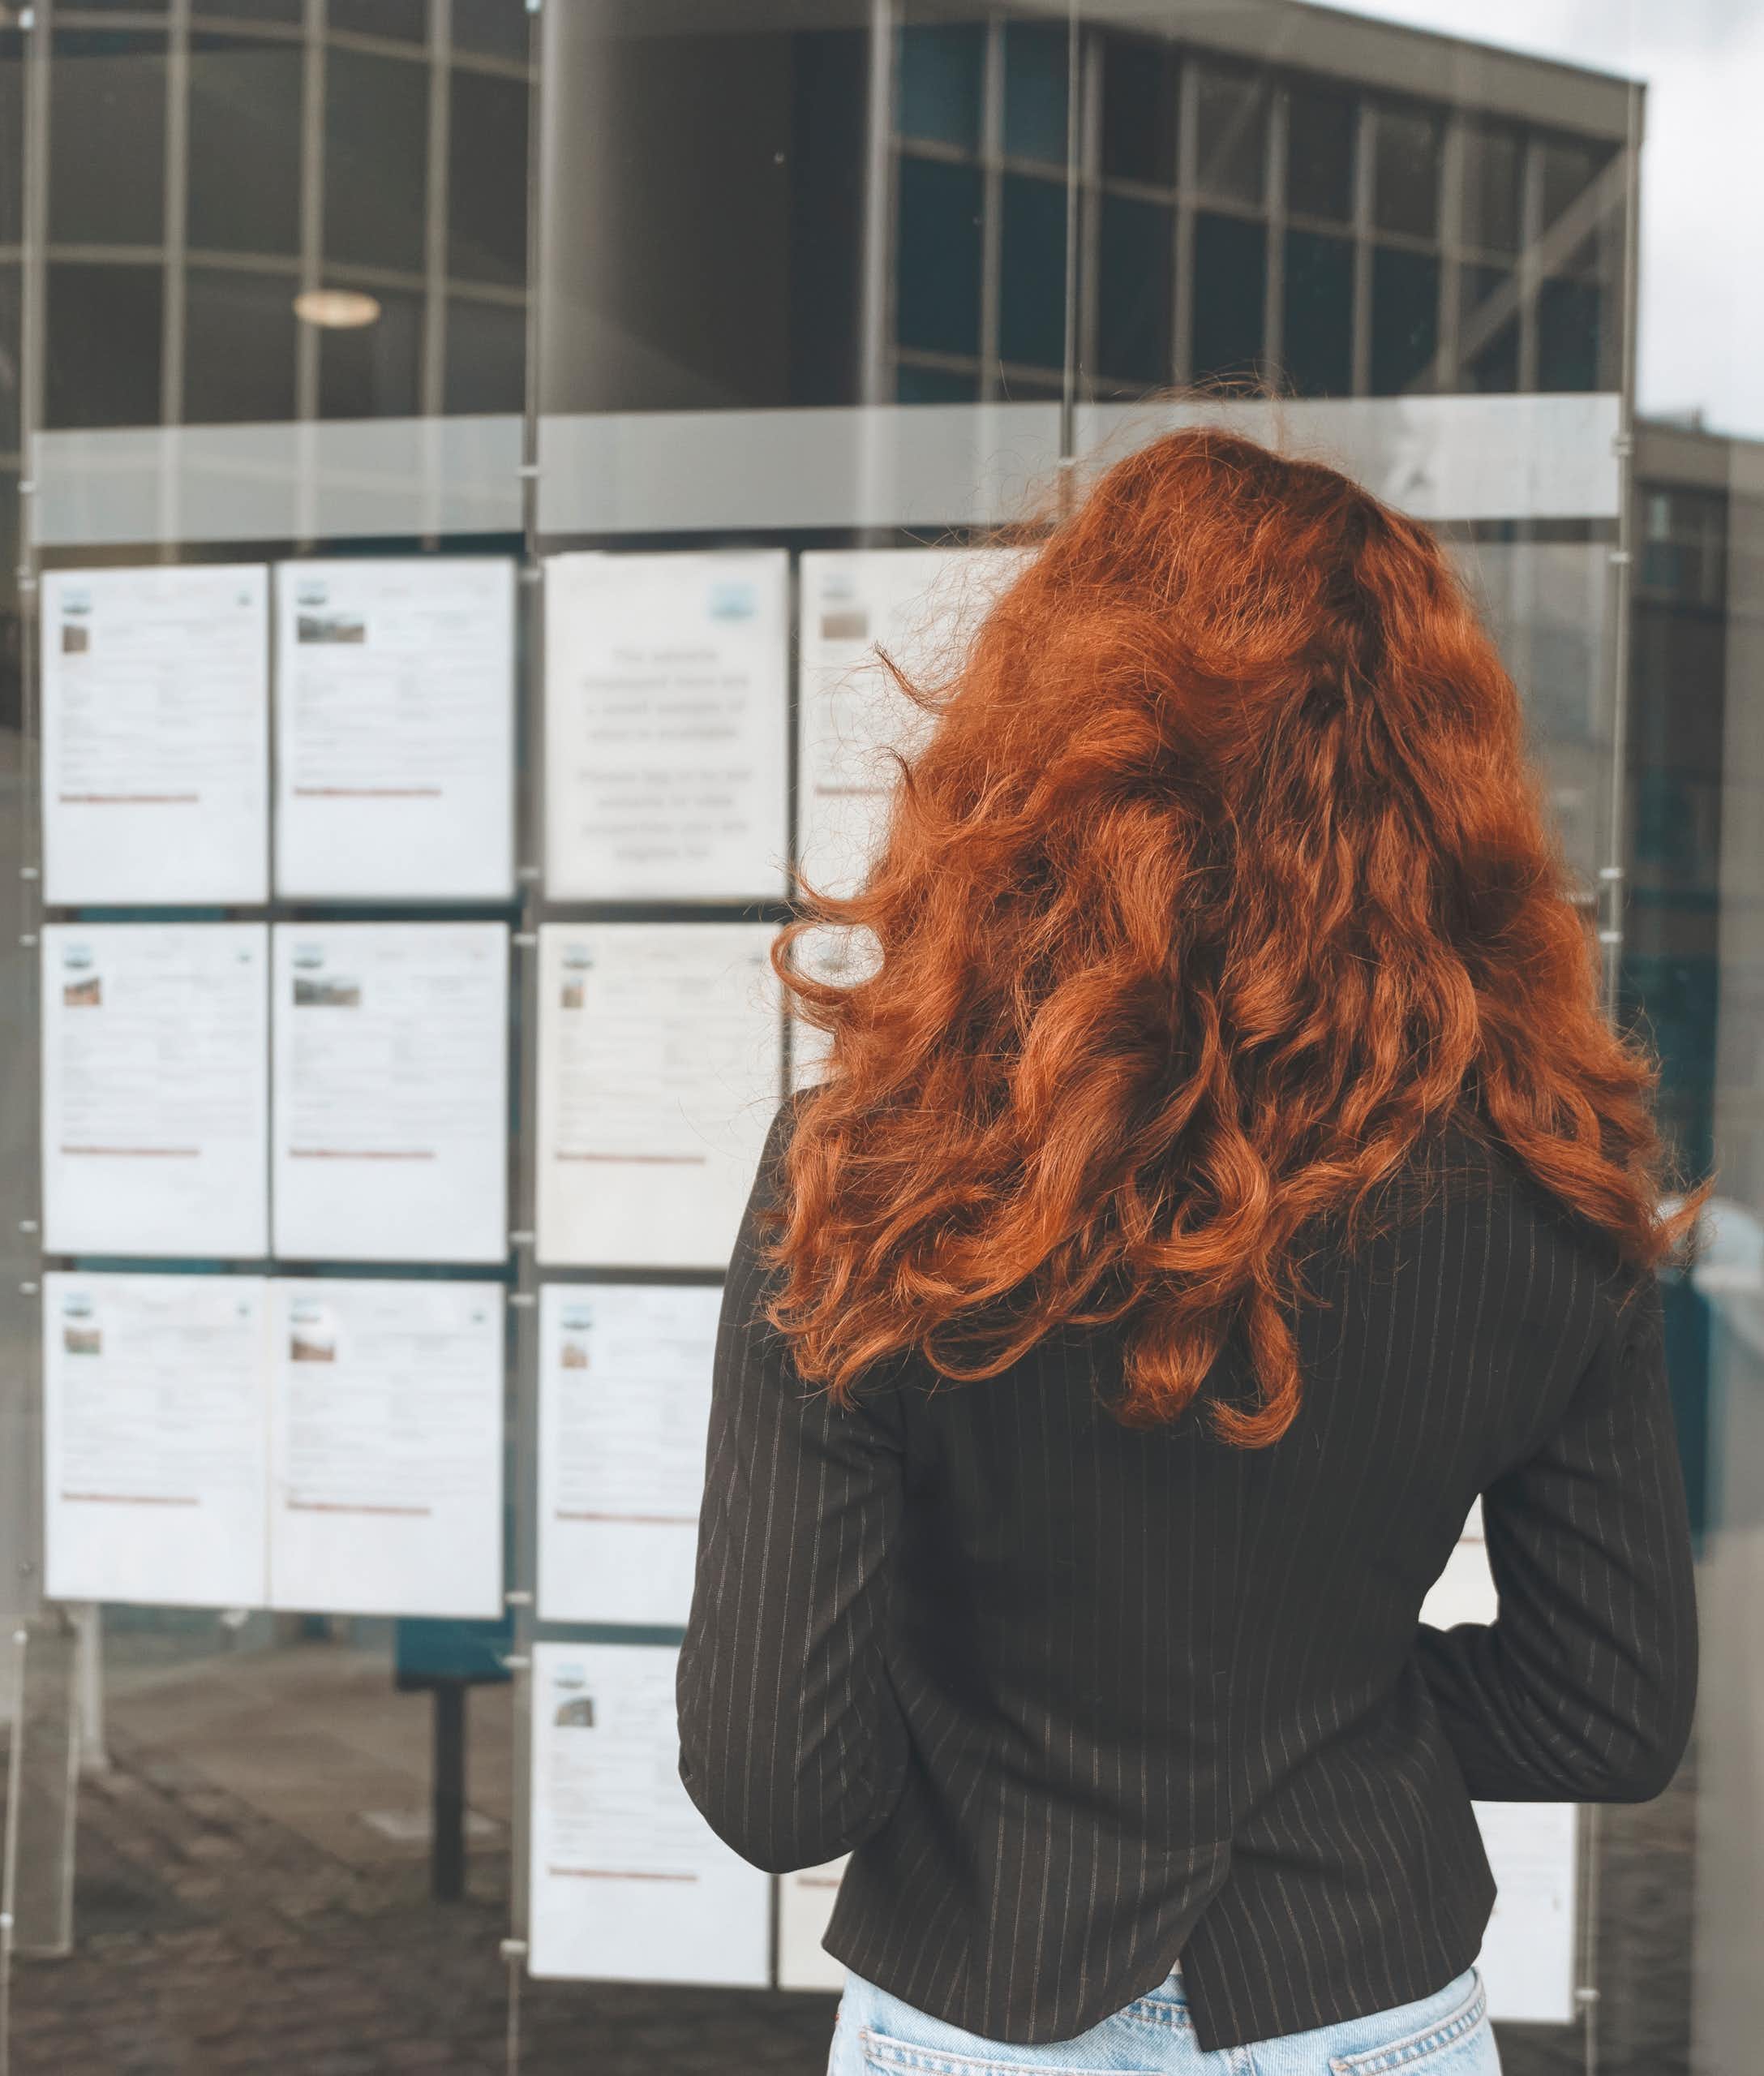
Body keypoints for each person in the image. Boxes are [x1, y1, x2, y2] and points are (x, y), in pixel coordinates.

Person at [676, 428, 1700, 2076]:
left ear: (1046, 744)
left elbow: (774, 1781)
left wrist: (1017, 1731)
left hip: (975, 2005)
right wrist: (1319, 1723)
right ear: (1437, 780)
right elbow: (1609, 1706)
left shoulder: (876, 1170)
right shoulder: (1544, 1183)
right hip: (1367, 1999)